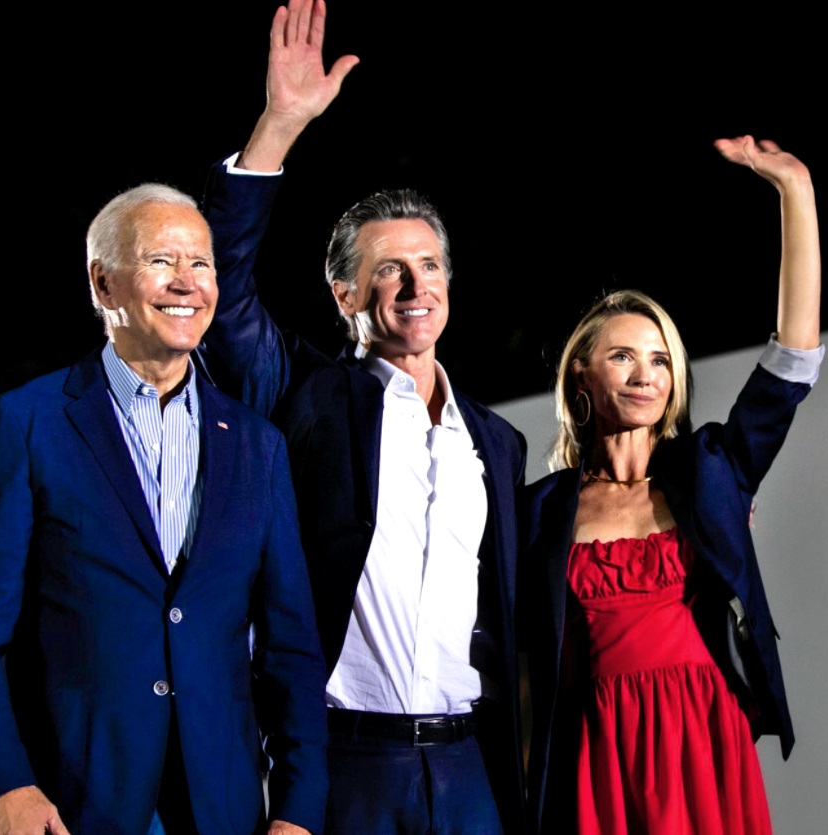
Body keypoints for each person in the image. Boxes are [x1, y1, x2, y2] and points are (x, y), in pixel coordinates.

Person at [197, 1, 526, 832]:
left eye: (428, 266)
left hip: (467, 768)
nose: (415, 286)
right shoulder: (302, 396)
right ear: (345, 294)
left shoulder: (497, 442)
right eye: (389, 271)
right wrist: (277, 126)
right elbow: (224, 291)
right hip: (344, 765)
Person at [0, 182, 328, 834]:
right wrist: (1, 783)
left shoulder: (258, 445)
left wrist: (298, 808)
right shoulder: (27, 423)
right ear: (103, 284)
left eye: (201, 263)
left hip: (223, 806)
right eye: (160, 261)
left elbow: (291, 648)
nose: (187, 282)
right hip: (71, 803)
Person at [520, 135, 823, 834]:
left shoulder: (711, 470)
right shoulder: (538, 510)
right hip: (595, 750)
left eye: (659, 358)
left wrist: (794, 190)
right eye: (621, 355)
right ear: (580, 377)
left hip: (703, 740)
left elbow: (792, 360)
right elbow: (529, 672)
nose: (644, 373)